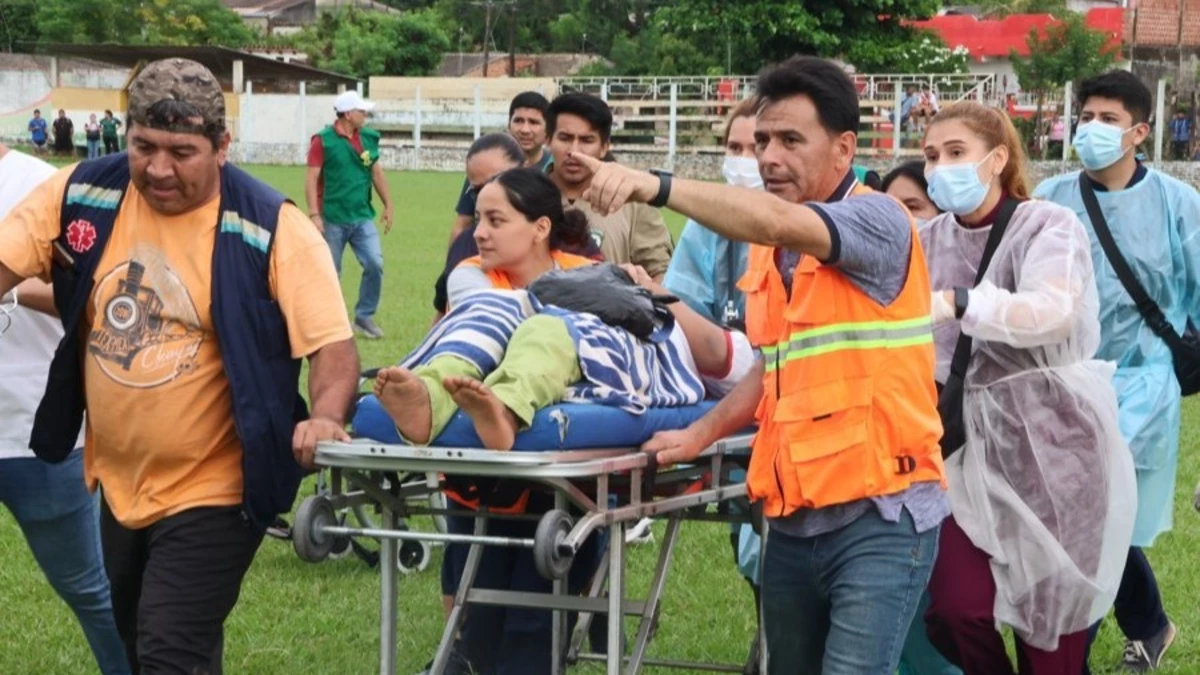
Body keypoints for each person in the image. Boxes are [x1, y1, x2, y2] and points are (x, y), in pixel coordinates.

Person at [571, 55, 950, 675]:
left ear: (844, 147)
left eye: (790, 140)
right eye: (764, 140)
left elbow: (778, 219)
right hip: (795, 517)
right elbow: (772, 366)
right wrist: (699, 434)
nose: (768, 157)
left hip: (883, 513)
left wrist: (653, 185)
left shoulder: (879, 219)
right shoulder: (775, 252)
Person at [0, 58, 359, 675]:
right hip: (119, 480)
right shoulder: (85, 192)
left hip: (218, 483)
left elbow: (332, 345)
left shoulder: (270, 226)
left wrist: (325, 416)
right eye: (144, 146)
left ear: (222, 147)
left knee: (169, 648)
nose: (158, 169)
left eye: (180, 152)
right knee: (144, 644)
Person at [375, 167, 754, 675]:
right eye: (479, 219)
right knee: (483, 324)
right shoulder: (476, 278)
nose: (478, 231)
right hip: (517, 380)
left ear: (540, 228)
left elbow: (709, 353)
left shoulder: (591, 275)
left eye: (494, 219)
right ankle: (429, 399)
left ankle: (503, 408)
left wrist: (647, 293)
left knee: (547, 333)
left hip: (596, 348)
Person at [919, 101, 1136, 675]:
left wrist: (961, 302)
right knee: (953, 609)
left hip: (1054, 450)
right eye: (931, 156)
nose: (940, 168)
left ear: (996, 159)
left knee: (1051, 632)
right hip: (962, 450)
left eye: (956, 153)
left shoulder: (1047, 225)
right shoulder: (927, 240)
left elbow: (1054, 310)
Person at [1033, 69, 1200, 673]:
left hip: (1143, 385)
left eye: (1108, 120)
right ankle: (1151, 625)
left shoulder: (1179, 205)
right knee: (1094, 515)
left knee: (1091, 511)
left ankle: (1066, 654)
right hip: (1064, 381)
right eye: (1087, 117)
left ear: (1139, 132)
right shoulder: (1050, 197)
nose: (1093, 129)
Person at [0, 142, 131, 675]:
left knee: (92, 589)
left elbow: (102, 293)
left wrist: (11, 288)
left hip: (33, 426)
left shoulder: (48, 187)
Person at [882, 160, 957, 675]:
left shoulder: (965, 289)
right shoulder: (870, 275)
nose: (904, 222)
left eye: (915, 208)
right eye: (891, 209)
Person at [545, 92, 675, 280]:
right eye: (564, 138)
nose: (574, 151)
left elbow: (661, 272)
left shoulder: (633, 200)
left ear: (605, 147)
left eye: (586, 140)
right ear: (548, 141)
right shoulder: (525, 197)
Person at [305, 89, 395, 340]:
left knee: (375, 263)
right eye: (361, 110)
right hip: (332, 217)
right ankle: (327, 320)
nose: (365, 114)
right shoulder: (322, 141)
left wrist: (388, 204)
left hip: (362, 215)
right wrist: (314, 214)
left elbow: (377, 173)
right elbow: (311, 179)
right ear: (347, 114)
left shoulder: (367, 138)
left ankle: (364, 317)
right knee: (330, 272)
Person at [664, 96, 759, 325]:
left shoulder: (799, 217)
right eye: (735, 148)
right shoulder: (705, 220)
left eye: (756, 149)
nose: (743, 160)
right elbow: (683, 302)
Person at [449, 92, 554, 245]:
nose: (525, 129)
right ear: (508, 124)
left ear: (547, 130)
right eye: (518, 120)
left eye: (533, 122)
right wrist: (453, 265)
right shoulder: (484, 168)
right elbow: (463, 222)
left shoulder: (553, 170)